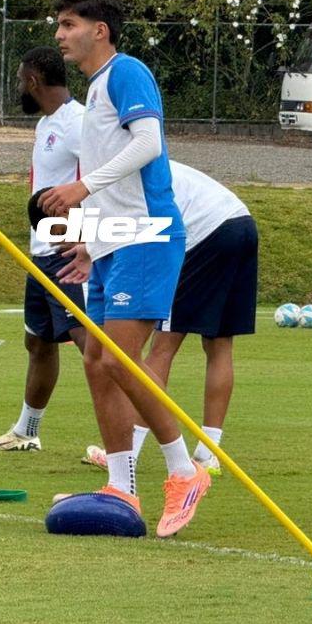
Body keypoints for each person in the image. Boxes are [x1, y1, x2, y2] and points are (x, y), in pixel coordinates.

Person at [40, 0, 210, 538]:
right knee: (95, 360)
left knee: (117, 360)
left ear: (99, 30)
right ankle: (121, 486)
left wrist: (81, 187)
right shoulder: (93, 91)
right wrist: (93, 239)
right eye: (60, 24)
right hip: (116, 239)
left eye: (68, 24)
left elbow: (148, 145)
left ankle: (184, 473)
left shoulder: (126, 71)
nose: (60, 34)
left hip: (149, 235)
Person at [74, 161, 258, 476]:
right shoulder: (129, 164)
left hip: (201, 235)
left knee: (161, 347)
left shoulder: (106, 182)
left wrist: (93, 251)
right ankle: (209, 453)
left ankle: (131, 449)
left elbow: (138, 234)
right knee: (219, 345)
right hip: (239, 223)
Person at [0, 46, 87, 451]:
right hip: (41, 253)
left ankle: (126, 441)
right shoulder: (46, 125)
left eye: (22, 80)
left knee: (92, 346)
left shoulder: (79, 123)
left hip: (69, 254)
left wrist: (84, 239)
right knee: (38, 342)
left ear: (34, 81)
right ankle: (27, 432)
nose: (20, 87)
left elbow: (99, 182)